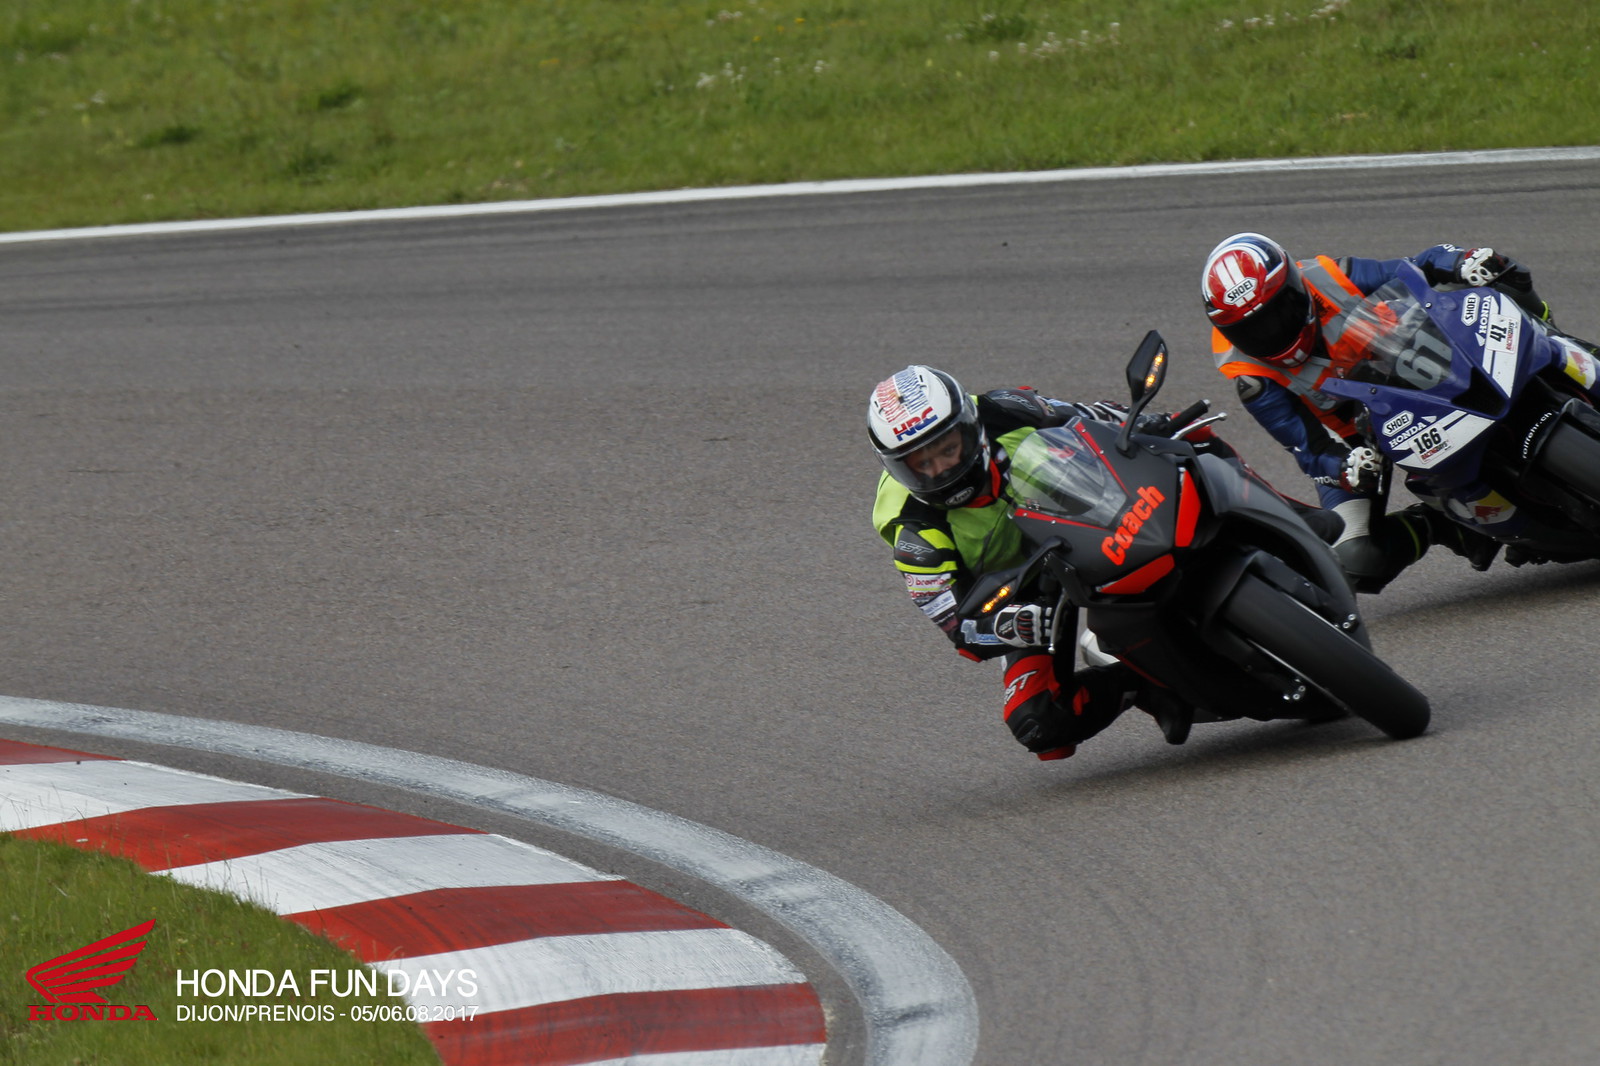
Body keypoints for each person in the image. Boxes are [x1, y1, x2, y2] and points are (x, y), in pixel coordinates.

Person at [867, 364, 1189, 761]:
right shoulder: (911, 531)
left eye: (948, 450)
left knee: (1191, 447)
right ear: (897, 467)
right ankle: (1142, 683)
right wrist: (1007, 626)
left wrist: (1148, 424)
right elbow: (957, 627)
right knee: (1037, 722)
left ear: (969, 427)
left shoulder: (1004, 408)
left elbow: (1086, 416)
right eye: (923, 464)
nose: (942, 470)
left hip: (1083, 516)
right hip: (1023, 589)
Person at [1199, 232, 1551, 590]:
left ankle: (1558, 345)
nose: (1271, 333)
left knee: (1504, 274)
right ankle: (1447, 525)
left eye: (1279, 313)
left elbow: (1413, 268)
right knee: (1354, 560)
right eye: (1251, 330)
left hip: (1413, 362)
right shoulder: (1252, 378)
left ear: (1295, 286)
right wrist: (1344, 466)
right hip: (1357, 440)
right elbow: (1308, 448)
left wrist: (1461, 262)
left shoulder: (1328, 277)